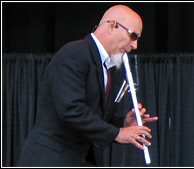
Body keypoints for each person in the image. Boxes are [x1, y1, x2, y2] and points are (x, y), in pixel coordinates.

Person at [17, 5, 158, 167]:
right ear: (112, 25)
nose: (135, 46)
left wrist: (123, 124)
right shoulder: (75, 53)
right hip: (52, 159)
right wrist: (117, 133)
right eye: (133, 36)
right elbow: (71, 110)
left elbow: (93, 118)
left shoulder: (108, 67)